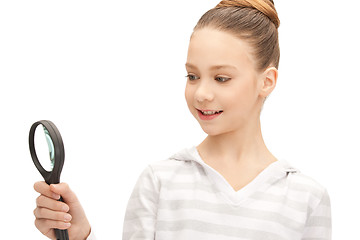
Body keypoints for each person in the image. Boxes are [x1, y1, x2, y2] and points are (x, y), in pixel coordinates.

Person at [33, 0, 332, 239]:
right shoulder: (160, 182)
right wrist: (80, 236)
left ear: (266, 81)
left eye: (221, 78)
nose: (201, 93)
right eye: (192, 76)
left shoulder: (306, 198)